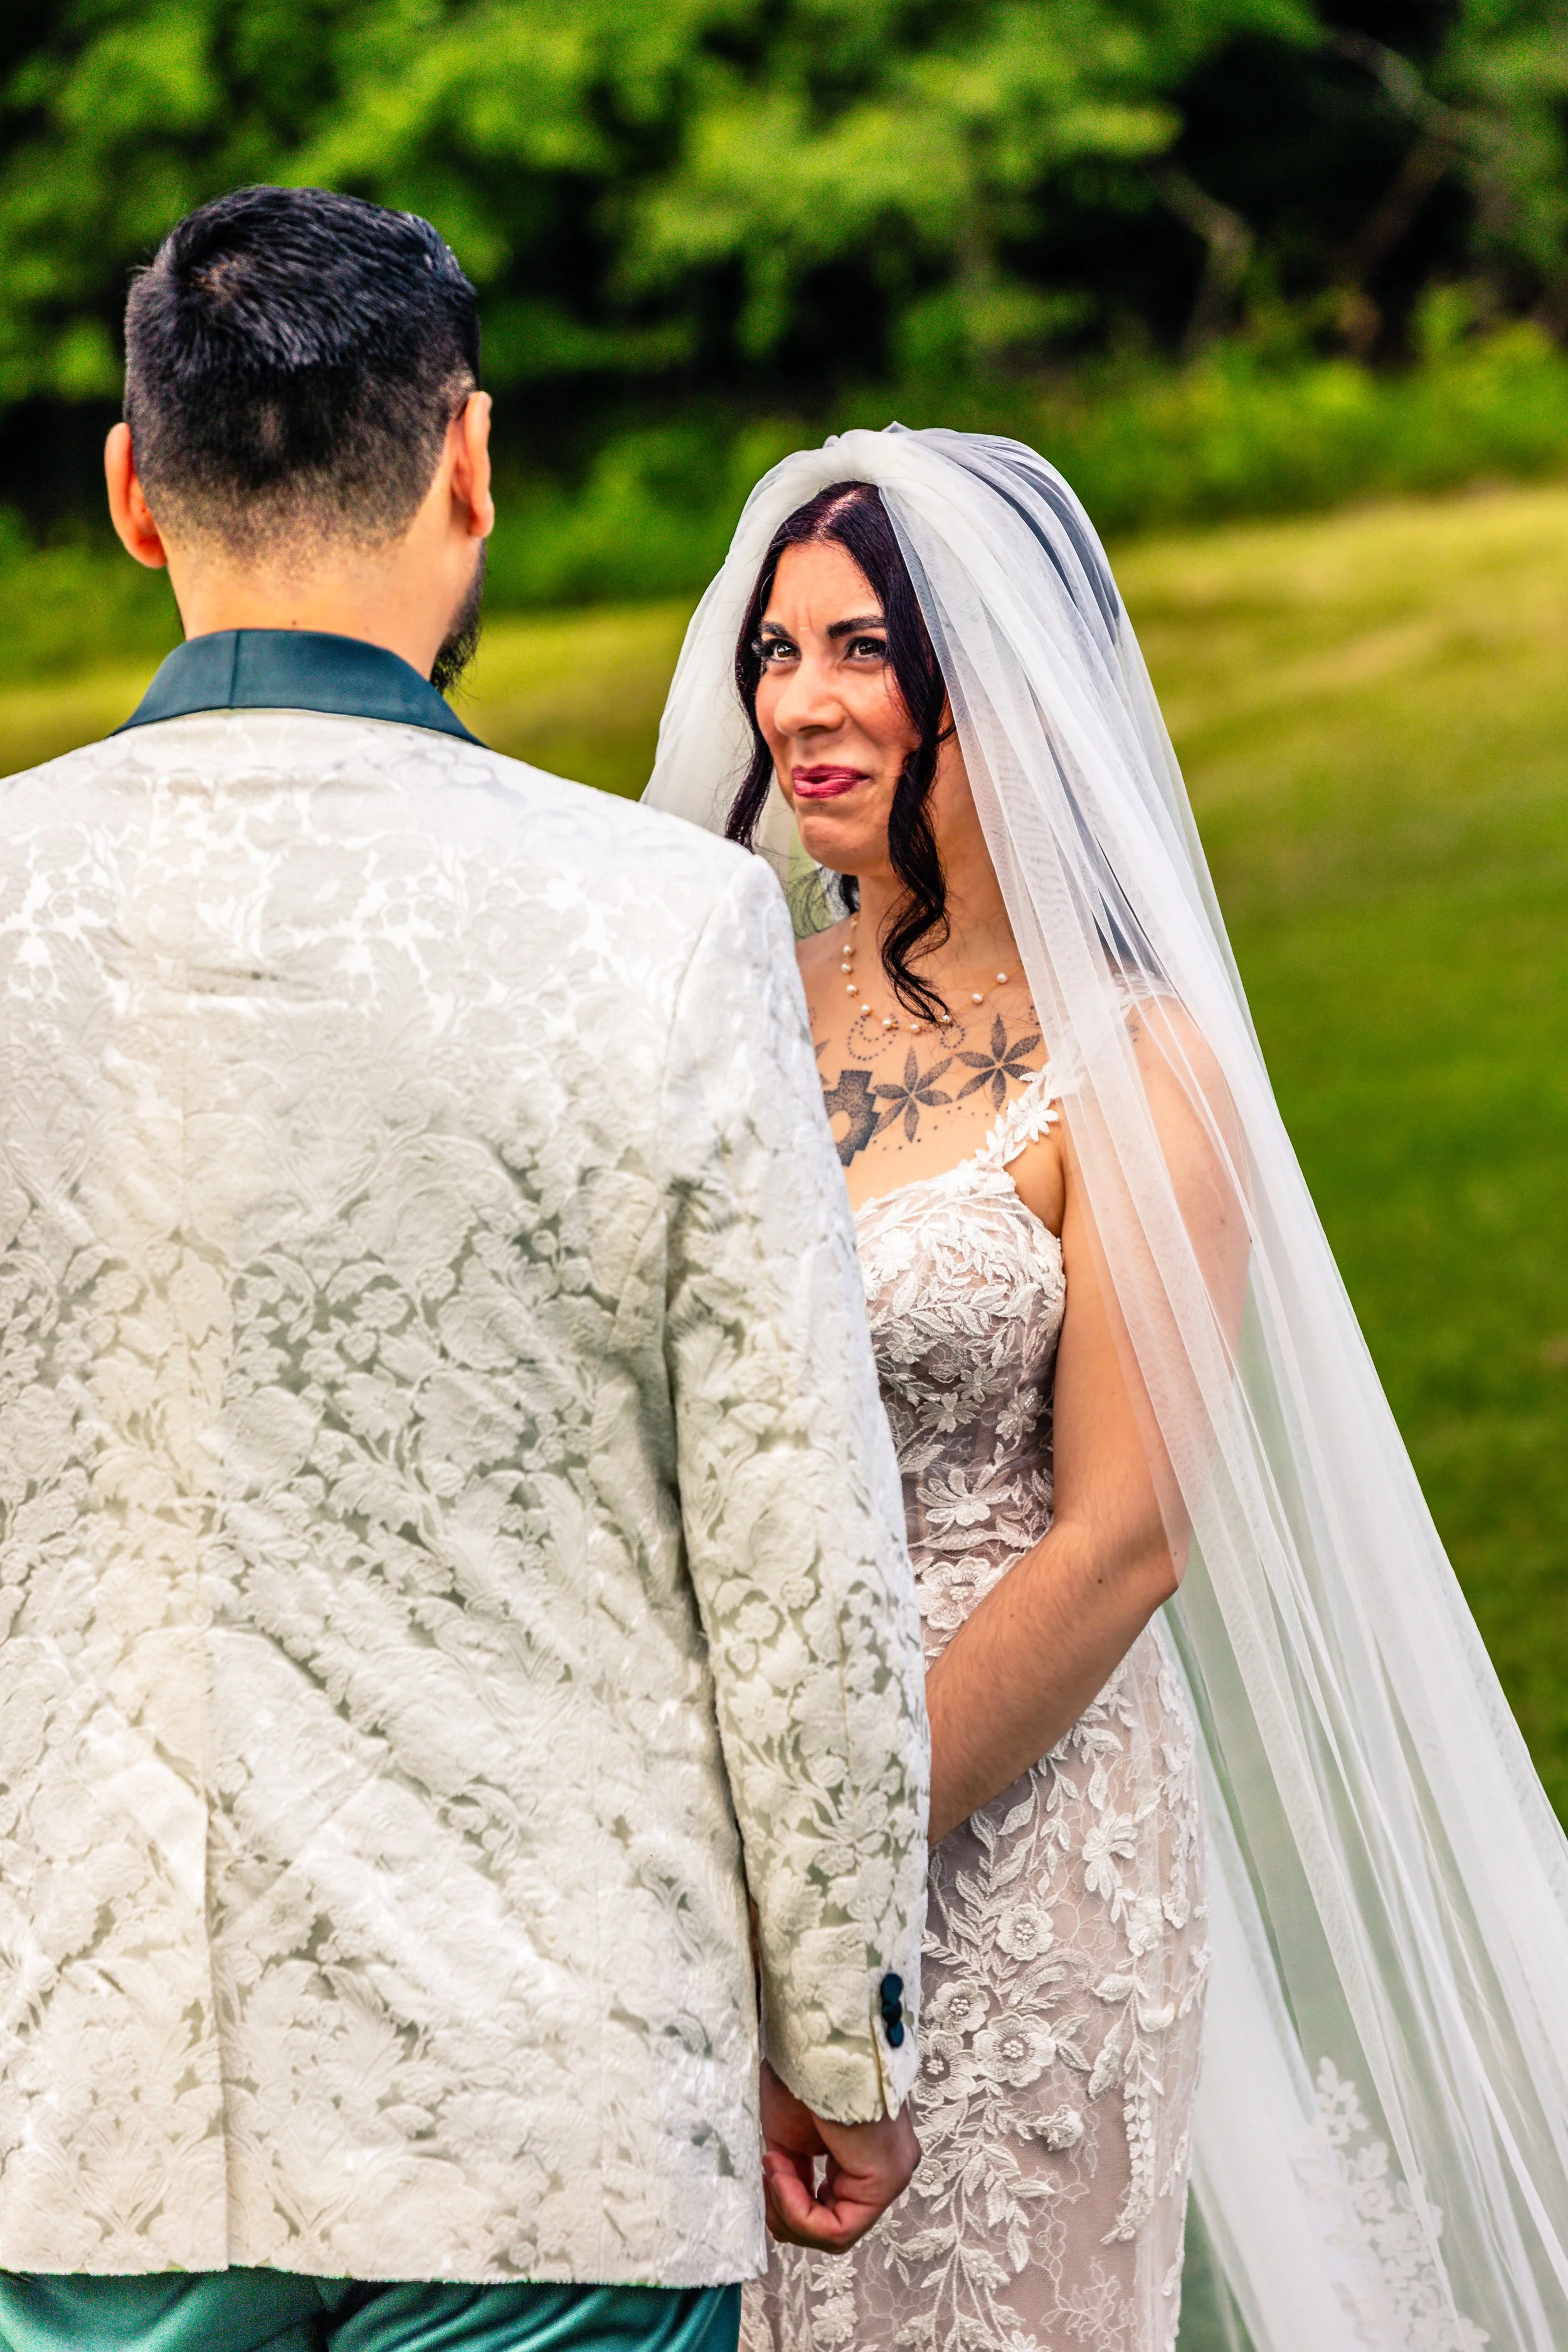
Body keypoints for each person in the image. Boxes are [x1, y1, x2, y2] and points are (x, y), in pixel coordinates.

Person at [0, 190, 931, 2352]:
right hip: (554, 2117)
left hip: (77, 2105)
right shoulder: (667, 928)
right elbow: (800, 1546)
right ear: (472, 461)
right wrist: (847, 2026)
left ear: (133, 493)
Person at [645, 427, 1568, 2352]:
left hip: (1010, 1859)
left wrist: (817, 1858)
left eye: (861, 651)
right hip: (697, 1850)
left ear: (1002, 689)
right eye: (775, 649)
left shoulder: (1135, 1071)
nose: (799, 702)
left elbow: (1125, 1537)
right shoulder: (704, 1001)